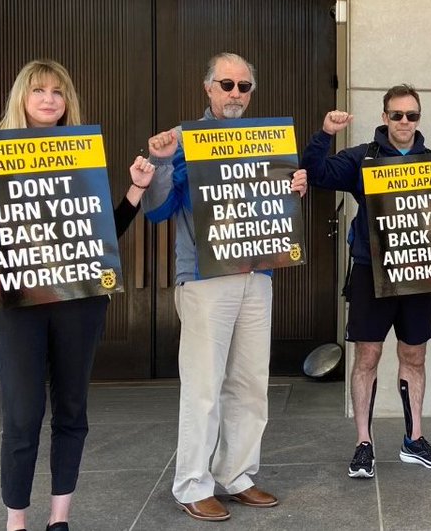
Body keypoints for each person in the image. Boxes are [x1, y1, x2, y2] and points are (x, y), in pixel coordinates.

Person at [0, 59, 154, 531]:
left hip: (77, 302)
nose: (49, 99)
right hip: (14, 305)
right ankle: (16, 522)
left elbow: (101, 233)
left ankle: (59, 518)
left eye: (58, 92)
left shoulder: (77, 154)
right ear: (21, 98)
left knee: (71, 410)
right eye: (39, 90)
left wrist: (134, 191)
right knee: (22, 417)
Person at [144, 52, 307, 522]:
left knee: (251, 383)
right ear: (208, 88)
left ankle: (237, 476)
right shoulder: (180, 140)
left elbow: (280, 209)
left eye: (244, 87)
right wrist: (158, 164)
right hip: (204, 279)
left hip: (258, 275)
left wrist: (293, 186)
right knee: (203, 387)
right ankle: (192, 484)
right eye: (227, 84)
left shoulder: (266, 144)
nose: (236, 94)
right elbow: (156, 211)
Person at [300, 84, 431, 479]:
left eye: (411, 115)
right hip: (370, 272)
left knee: (415, 356)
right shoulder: (362, 157)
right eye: (396, 115)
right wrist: (325, 134)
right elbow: (315, 172)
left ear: (418, 118)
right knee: (368, 357)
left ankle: (414, 440)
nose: (404, 122)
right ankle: (364, 443)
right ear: (384, 117)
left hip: (418, 272)